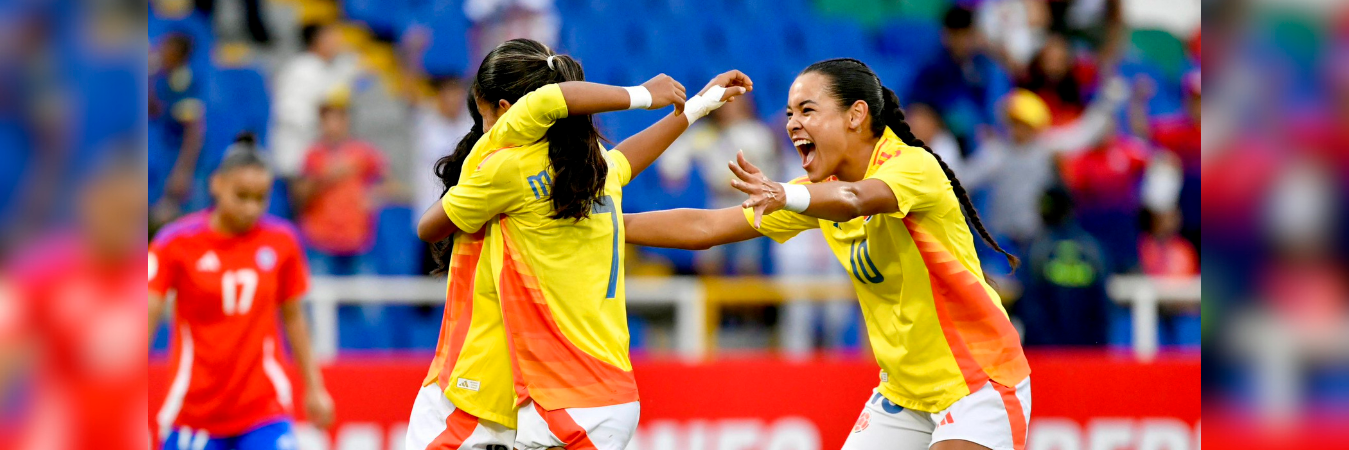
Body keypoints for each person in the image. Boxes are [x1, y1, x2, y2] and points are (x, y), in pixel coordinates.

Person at [624, 58, 1030, 450]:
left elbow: (854, 199)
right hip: (906, 392)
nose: (792, 124)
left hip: (979, 381)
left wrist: (785, 194)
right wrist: (609, 225)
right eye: (788, 113)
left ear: (855, 115)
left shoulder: (912, 165)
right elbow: (706, 227)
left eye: (807, 110)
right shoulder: (817, 191)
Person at [411, 38, 750, 450]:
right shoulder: (588, 172)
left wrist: (643, 95)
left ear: (504, 110)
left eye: (483, 114)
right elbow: (626, 164)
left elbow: (428, 227)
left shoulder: (503, 169)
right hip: (593, 392)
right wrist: (694, 109)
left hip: (480, 394)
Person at [148, 136, 335, 449]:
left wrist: (315, 388)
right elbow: (146, 317)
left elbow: (294, 319)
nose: (251, 208)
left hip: (263, 407)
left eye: (260, 198)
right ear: (217, 185)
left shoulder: (282, 242)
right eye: (242, 196)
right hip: (195, 411)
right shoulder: (176, 243)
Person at [291, 101, 393, 275]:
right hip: (321, 240)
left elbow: (389, 184)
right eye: (328, 120)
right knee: (320, 297)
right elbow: (299, 197)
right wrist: (326, 177)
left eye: (338, 119)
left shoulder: (364, 152)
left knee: (366, 298)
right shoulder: (312, 155)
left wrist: (373, 196)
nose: (333, 126)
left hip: (357, 240)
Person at [1016, 187, 1110, 346]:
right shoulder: (1092, 249)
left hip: (1045, 354)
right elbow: (1102, 308)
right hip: (1086, 354)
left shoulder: (1036, 250)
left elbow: (1030, 306)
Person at [269, 22, 361, 178]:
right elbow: (290, 113)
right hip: (297, 155)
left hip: (317, 156)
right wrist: (323, 130)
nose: (337, 41)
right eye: (331, 37)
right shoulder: (300, 69)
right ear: (317, 40)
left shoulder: (325, 68)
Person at [149, 32, 205, 226]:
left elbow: (193, 132)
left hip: (182, 163)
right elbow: (153, 110)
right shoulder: (164, 79)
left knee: (183, 222)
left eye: (166, 49)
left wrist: (183, 171)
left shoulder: (184, 83)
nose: (160, 53)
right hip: (165, 160)